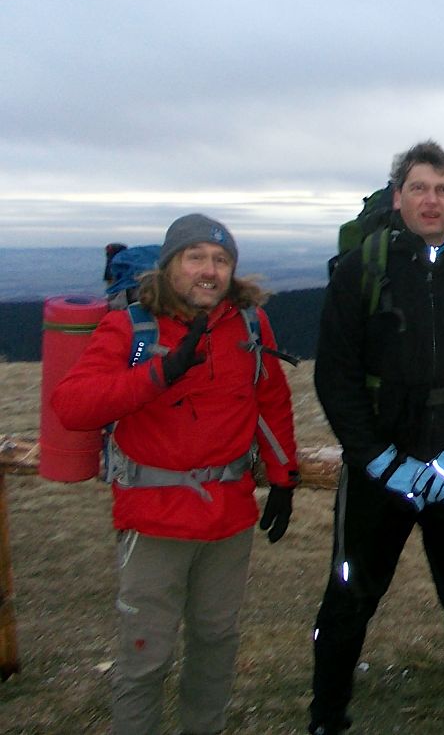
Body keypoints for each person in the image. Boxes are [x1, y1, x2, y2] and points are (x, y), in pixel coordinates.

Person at [52, 213, 299, 735]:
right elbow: (72, 405)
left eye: (221, 260)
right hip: (154, 517)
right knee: (146, 654)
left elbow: (270, 398)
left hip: (228, 515)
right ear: (169, 267)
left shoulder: (250, 324)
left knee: (215, 642)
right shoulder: (131, 326)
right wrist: (160, 373)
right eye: (196, 258)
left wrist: (283, 477)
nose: (209, 270)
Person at [309, 141, 444, 735]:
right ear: (398, 194)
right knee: (350, 592)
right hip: (381, 462)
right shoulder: (362, 270)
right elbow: (336, 375)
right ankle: (327, 714)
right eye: (419, 188)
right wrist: (378, 459)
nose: (432, 200)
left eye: (443, 188)